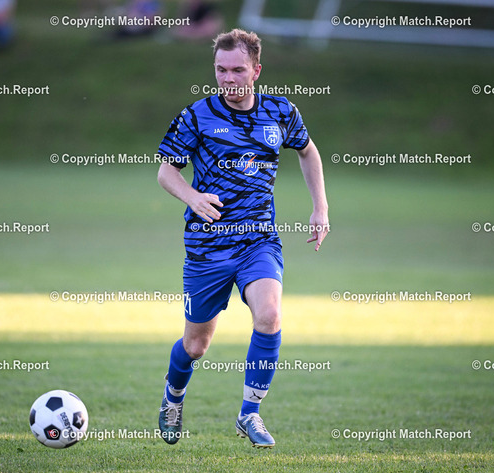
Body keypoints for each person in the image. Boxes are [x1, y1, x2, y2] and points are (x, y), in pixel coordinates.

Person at [156, 28, 329, 448]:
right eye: (220, 70)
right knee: (196, 345)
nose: (228, 78)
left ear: (256, 70)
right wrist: (193, 196)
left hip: (258, 241)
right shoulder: (197, 115)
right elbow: (166, 171)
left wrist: (320, 207)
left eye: (237, 70)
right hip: (207, 247)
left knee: (269, 316)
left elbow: (308, 150)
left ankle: (250, 413)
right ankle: (173, 397)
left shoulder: (280, 112)